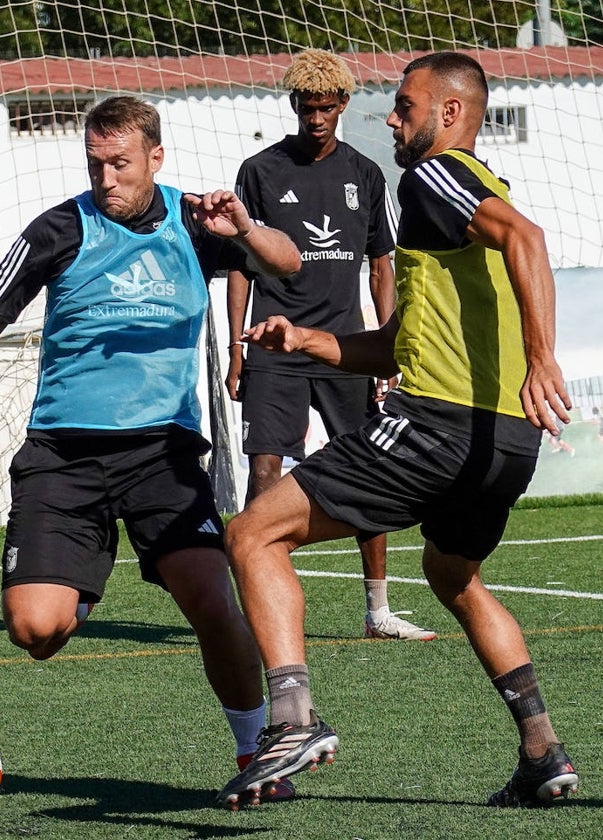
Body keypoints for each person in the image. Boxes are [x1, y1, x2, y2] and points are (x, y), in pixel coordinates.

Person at [0, 96, 302, 799]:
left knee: (211, 600)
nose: (107, 178)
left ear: (155, 158)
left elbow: (289, 269)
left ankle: (256, 752)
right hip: (63, 459)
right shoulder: (59, 229)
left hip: (162, 455)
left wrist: (247, 229)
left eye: (121, 164)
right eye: (96, 163)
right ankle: (82, 577)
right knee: (35, 632)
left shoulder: (198, 224)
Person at [218, 52, 579, 809]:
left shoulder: (438, 176)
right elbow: (403, 341)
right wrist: (311, 341)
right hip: (505, 445)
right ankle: (543, 751)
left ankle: (291, 721)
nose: (392, 118)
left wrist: (543, 357)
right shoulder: (456, 209)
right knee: (453, 577)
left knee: (252, 534)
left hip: (439, 428)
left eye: (405, 107)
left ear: (450, 115)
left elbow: (530, 238)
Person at [227, 48, 434, 642]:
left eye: (327, 107)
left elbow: (380, 266)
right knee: (265, 467)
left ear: (343, 104)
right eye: (306, 107)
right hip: (273, 345)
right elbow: (241, 264)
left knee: (373, 469)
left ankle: (378, 612)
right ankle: (258, 612)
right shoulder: (260, 171)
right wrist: (237, 349)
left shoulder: (366, 174)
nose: (316, 118)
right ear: (293, 105)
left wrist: (389, 349)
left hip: (344, 348)